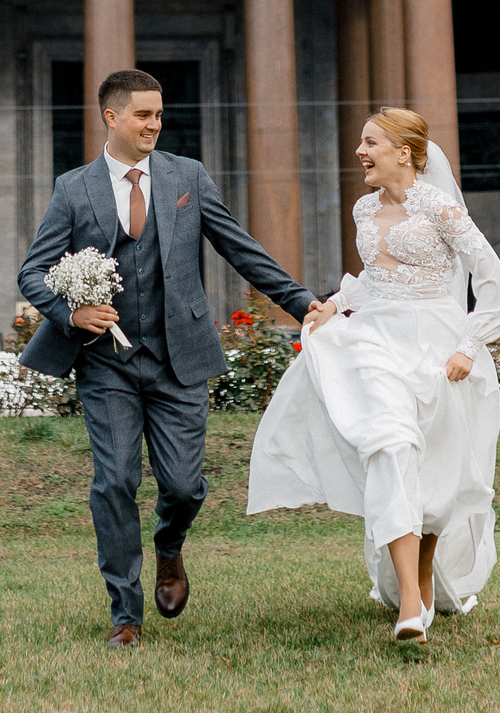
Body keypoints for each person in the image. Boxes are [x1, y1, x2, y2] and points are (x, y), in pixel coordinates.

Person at [17, 69, 324, 649]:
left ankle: (169, 547)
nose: (155, 124)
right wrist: (70, 312)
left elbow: (240, 247)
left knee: (184, 487)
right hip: (106, 362)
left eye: (159, 115)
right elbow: (32, 271)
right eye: (143, 115)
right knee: (114, 481)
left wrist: (303, 302)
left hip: (179, 357)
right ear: (111, 117)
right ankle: (125, 617)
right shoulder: (73, 188)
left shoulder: (188, 176)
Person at [248, 108, 500, 647]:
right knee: (389, 446)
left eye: (370, 143)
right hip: (374, 340)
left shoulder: (440, 208)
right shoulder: (364, 209)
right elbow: (376, 279)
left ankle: (421, 581)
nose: (360, 152)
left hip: (437, 347)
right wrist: (334, 305)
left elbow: (494, 282)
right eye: (361, 143)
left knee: (437, 477)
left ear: (405, 153)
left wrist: (469, 344)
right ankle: (411, 609)